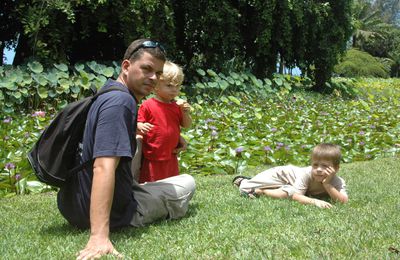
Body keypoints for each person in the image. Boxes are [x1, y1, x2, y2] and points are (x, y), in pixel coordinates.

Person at [56, 39, 196, 259]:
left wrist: (177, 138)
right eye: (147, 69)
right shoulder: (121, 102)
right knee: (187, 183)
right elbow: (103, 167)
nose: (153, 78)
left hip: (73, 202)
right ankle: (105, 226)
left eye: (158, 73)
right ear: (126, 66)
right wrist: (99, 237)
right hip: (113, 212)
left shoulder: (108, 92)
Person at [232, 143, 348, 208]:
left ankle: (262, 191)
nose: (318, 169)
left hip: (290, 185)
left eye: (324, 166)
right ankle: (243, 181)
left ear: (336, 168)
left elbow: (343, 201)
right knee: (245, 189)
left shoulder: (337, 181)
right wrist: (315, 202)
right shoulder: (307, 174)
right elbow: (297, 196)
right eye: (315, 165)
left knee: (287, 192)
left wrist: (327, 184)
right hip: (282, 175)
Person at [135, 61, 192, 183]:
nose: (174, 90)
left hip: (171, 154)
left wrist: (185, 112)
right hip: (152, 155)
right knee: (150, 185)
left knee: (171, 184)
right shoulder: (147, 105)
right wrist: (141, 125)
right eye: (169, 86)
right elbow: (137, 123)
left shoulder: (177, 106)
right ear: (156, 85)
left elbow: (186, 125)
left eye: (177, 86)